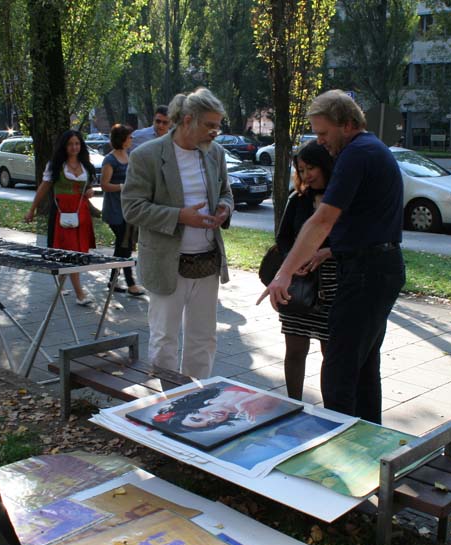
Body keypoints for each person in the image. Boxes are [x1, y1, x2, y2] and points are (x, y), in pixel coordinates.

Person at [258, 89, 405, 424]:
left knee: (339, 371)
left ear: (348, 124)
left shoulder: (356, 153)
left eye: (323, 133)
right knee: (363, 369)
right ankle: (370, 441)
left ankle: (339, 445)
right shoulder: (371, 149)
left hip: (367, 272)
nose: (320, 141)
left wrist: (284, 273)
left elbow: (322, 220)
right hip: (377, 268)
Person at [122, 87, 234, 379]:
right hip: (166, 263)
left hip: (207, 263)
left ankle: (197, 396)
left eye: (218, 126)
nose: (215, 132)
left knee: (203, 339)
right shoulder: (147, 155)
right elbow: (132, 208)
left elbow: (226, 192)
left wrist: (225, 208)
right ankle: (169, 399)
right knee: (164, 339)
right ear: (187, 120)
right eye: (209, 125)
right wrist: (179, 217)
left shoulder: (215, 153)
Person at [276, 140, 337, 401]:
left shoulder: (340, 199)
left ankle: (331, 409)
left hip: (332, 288)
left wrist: (329, 251)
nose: (306, 175)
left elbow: (352, 239)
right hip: (299, 286)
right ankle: (293, 403)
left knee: (330, 355)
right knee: (295, 350)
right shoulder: (297, 199)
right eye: (301, 170)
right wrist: (293, 262)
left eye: (311, 168)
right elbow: (283, 239)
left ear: (326, 166)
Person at [24, 130, 97, 306]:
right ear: (64, 146)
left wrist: (90, 191)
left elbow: (89, 187)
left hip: (81, 213)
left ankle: (61, 284)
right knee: (71, 251)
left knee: (76, 250)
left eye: (77, 143)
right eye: (70, 144)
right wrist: (32, 209)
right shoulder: (55, 165)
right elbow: (43, 187)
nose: (74, 147)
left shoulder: (85, 165)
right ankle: (80, 294)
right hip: (63, 213)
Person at [100, 124, 145, 297]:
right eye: (129, 136)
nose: (132, 139)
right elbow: (104, 185)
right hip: (114, 210)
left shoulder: (129, 156)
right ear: (122, 139)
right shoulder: (110, 160)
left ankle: (113, 280)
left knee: (123, 246)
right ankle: (130, 284)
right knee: (124, 245)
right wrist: (123, 187)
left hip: (128, 209)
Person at [153, 385, 285, 432]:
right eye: (211, 424)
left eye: (197, 419)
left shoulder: (210, 396)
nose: (213, 418)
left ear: (189, 412)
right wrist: (249, 400)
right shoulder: (252, 410)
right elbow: (280, 392)